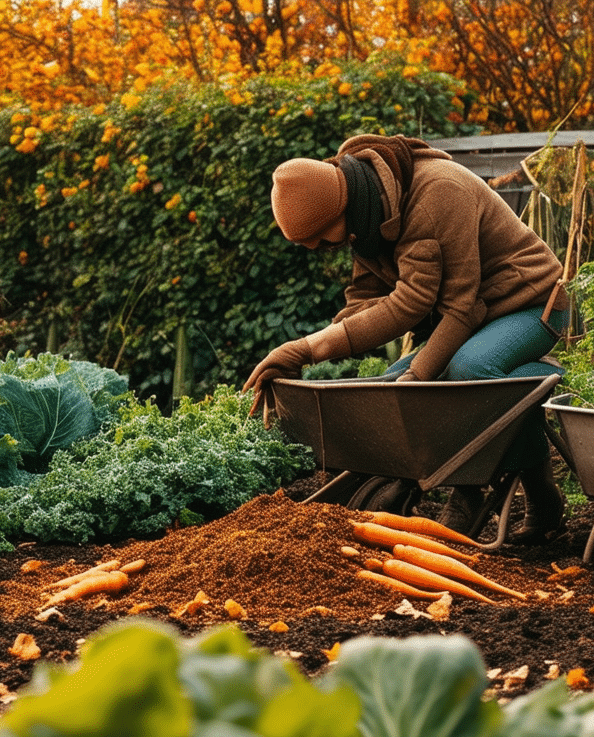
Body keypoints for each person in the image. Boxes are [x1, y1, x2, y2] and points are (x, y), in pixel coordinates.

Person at [242, 134, 569, 543]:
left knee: (471, 372)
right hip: (468, 317)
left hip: (529, 305)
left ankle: (494, 493)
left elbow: (452, 307)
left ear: (340, 208)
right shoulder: (367, 211)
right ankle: (418, 480)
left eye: (324, 238)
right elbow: (365, 300)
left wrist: (311, 348)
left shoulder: (437, 193)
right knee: (396, 385)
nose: (325, 247)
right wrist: (318, 346)